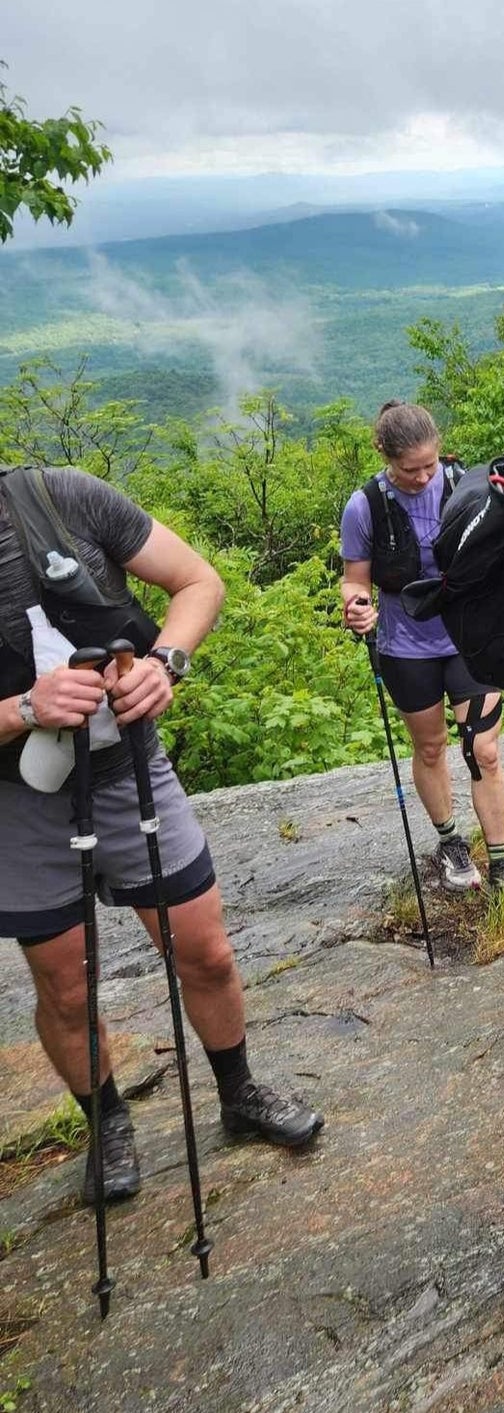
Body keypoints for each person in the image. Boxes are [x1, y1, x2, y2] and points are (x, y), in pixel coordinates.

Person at [0, 465, 323, 1204]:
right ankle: (106, 1120)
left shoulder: (63, 495)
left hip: (128, 768)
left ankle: (238, 1091)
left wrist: (164, 661)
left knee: (203, 949)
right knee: (64, 982)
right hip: (18, 797)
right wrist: (23, 707)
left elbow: (198, 582)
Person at [340, 401, 504, 897]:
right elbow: (354, 581)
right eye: (410, 469)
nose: (422, 476)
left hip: (469, 639)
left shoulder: (462, 485)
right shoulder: (365, 506)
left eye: (430, 464)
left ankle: (500, 863)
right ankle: (451, 843)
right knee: (430, 747)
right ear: (384, 455)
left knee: (485, 750)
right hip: (406, 646)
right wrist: (358, 606)